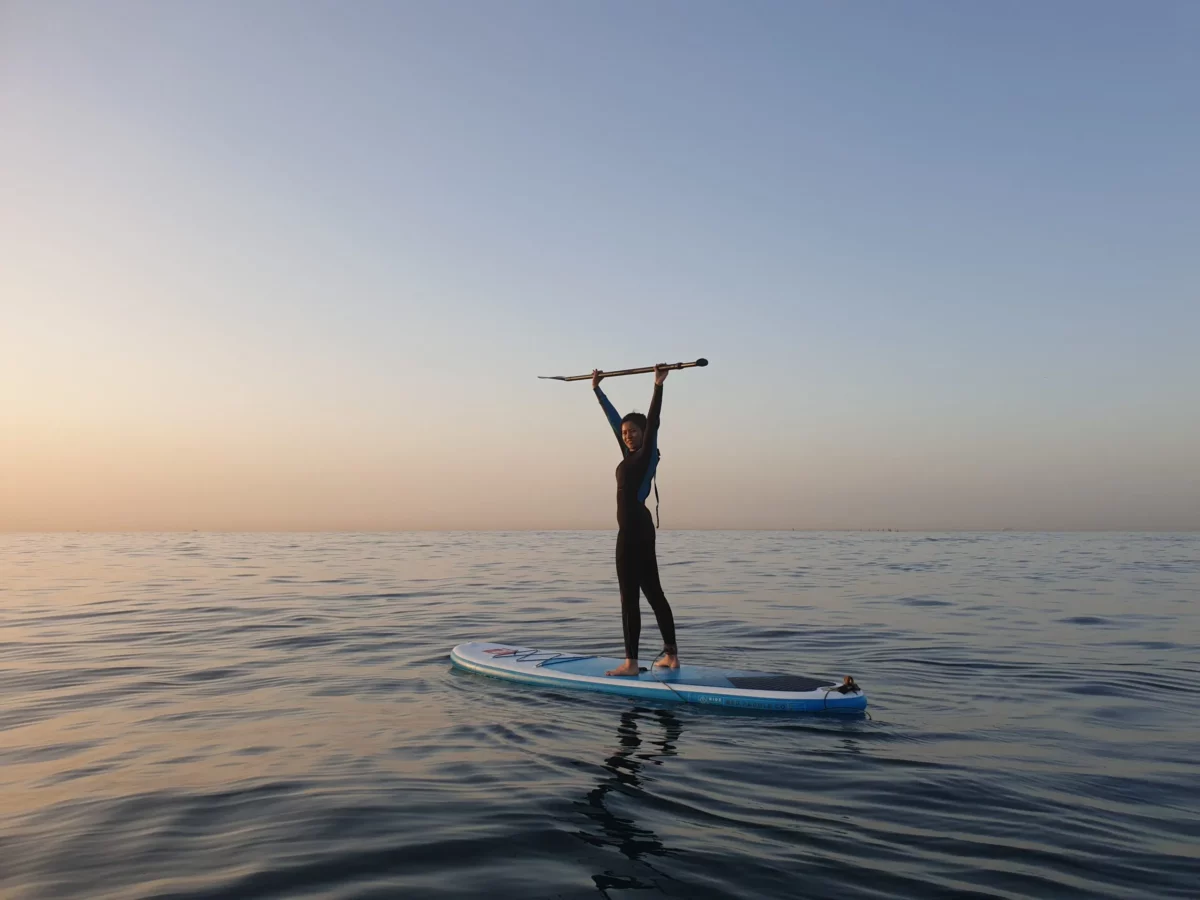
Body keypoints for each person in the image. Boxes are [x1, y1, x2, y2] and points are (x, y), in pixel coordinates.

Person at [591, 364, 679, 676]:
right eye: (625, 433)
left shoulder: (644, 455)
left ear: (644, 435)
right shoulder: (630, 455)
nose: (627, 436)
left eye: (633, 432)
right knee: (653, 593)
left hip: (632, 533)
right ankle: (671, 656)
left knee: (630, 596)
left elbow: (653, 422)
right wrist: (597, 390)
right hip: (638, 530)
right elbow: (614, 422)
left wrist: (658, 386)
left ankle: (630, 663)